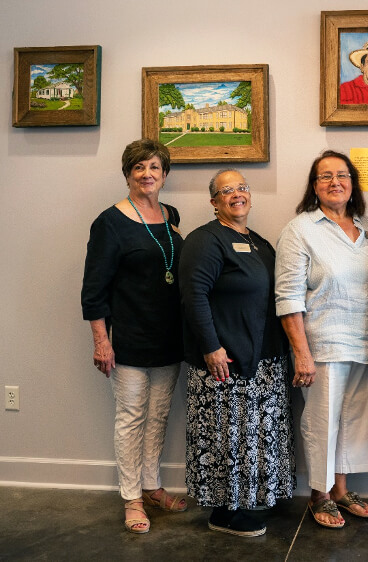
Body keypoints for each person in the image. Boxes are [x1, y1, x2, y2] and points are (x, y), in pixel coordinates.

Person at [180, 169, 294, 537]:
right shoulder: (205, 241)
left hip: (263, 361)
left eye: (242, 187)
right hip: (225, 361)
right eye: (226, 191)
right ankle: (224, 512)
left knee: (255, 436)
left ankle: (251, 498)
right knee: (226, 437)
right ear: (214, 202)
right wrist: (211, 347)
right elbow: (193, 296)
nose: (237, 194)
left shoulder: (260, 243)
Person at [81, 138, 187, 534]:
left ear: (164, 174)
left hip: (168, 337)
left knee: (158, 415)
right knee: (131, 417)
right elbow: (94, 289)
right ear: (127, 174)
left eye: (154, 167)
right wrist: (101, 340)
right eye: (139, 167)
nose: (147, 174)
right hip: (128, 338)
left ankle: (152, 485)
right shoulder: (109, 222)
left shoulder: (170, 213)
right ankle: (131, 498)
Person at [275, 150, 368, 529]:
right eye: (325, 176)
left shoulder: (367, 226)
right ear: (314, 186)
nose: (335, 182)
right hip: (321, 345)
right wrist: (301, 354)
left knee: (352, 420)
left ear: (352, 183)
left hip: (365, 343)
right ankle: (318, 494)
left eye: (342, 175)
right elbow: (287, 297)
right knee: (323, 422)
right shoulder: (300, 228)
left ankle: (340, 489)